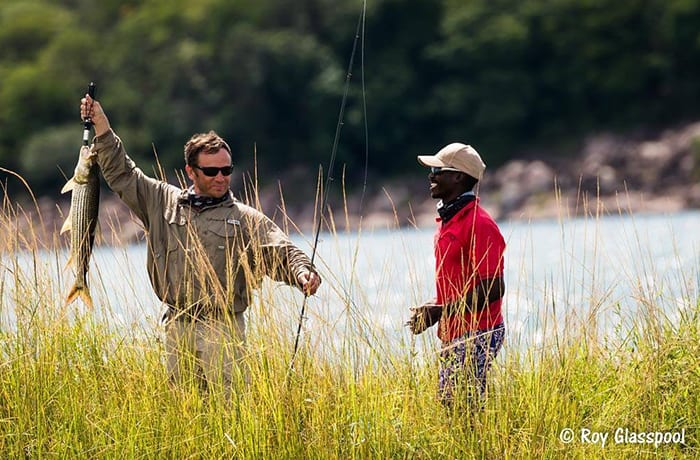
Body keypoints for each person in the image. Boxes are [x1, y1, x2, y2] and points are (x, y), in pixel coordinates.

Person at [79, 94, 321, 398]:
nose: (221, 177)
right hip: (177, 325)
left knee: (229, 411)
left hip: (224, 328)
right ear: (191, 171)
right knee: (184, 412)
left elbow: (282, 252)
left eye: (226, 170)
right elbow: (122, 174)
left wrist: (303, 273)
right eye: (211, 171)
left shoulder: (245, 218)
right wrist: (101, 124)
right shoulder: (161, 201)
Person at [407, 142, 506, 408]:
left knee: (461, 407)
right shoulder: (451, 220)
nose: (431, 176)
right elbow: (461, 283)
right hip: (457, 330)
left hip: (479, 331)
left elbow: (494, 288)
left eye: (438, 170)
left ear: (458, 176)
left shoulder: (480, 224)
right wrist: (435, 307)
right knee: (453, 406)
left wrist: (440, 311)